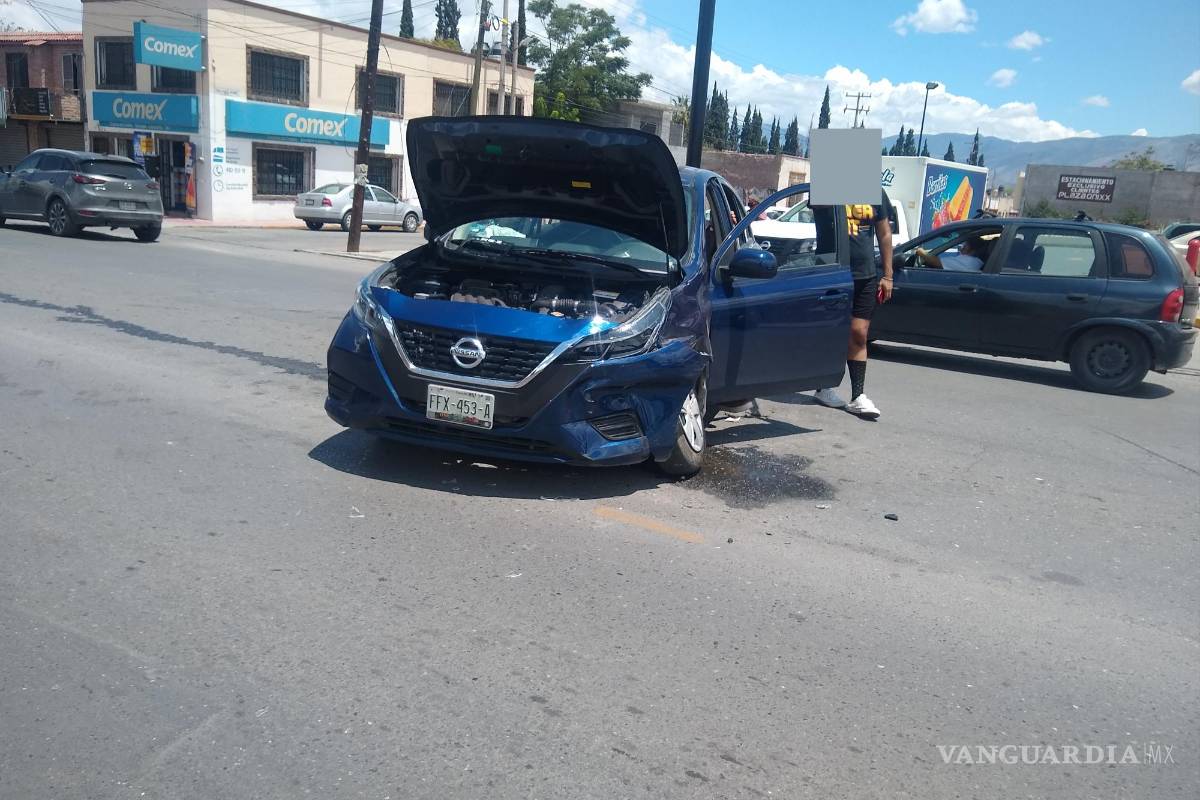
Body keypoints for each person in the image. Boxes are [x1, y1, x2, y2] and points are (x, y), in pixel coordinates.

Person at [812, 191, 894, 419]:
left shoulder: (875, 190)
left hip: (865, 274)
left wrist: (888, 275)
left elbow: (884, 232)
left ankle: (858, 396)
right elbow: (819, 212)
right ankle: (823, 386)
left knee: (859, 333)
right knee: (830, 332)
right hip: (833, 272)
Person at [916, 236, 985, 271]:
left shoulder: (967, 261)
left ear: (973, 251)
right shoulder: (977, 262)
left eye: (966, 245)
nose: (962, 246)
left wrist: (920, 251)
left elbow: (936, 262)